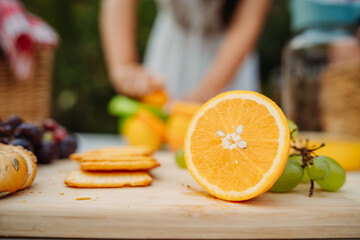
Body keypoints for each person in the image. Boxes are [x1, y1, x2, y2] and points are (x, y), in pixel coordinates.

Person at [100, 0, 271, 103]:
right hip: (171, 48)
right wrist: (123, 65)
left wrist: (207, 91)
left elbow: (247, 22)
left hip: (230, 58)